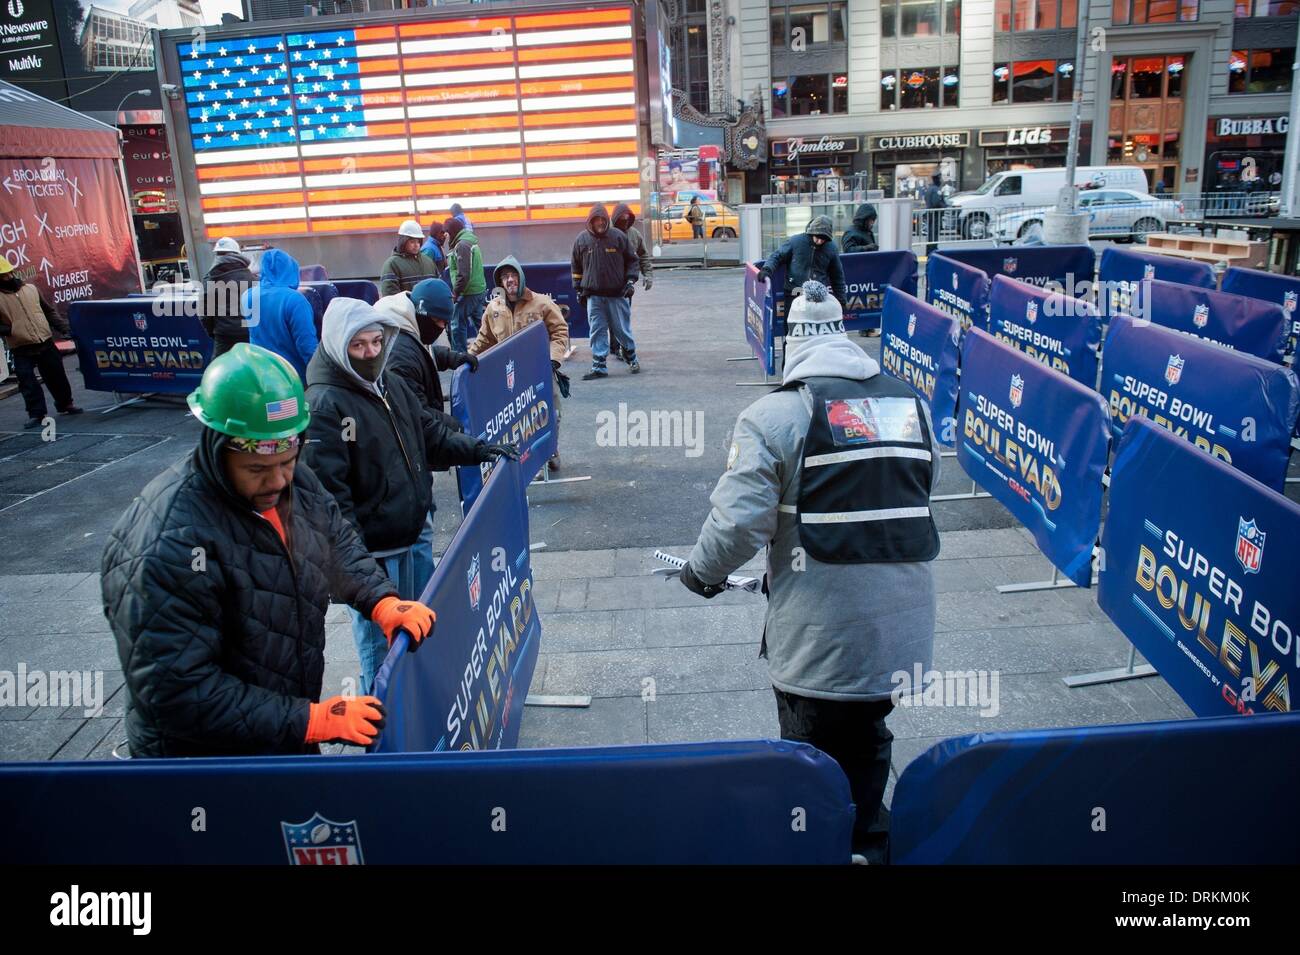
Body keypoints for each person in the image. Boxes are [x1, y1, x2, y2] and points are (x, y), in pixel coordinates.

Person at [676, 281, 940, 864]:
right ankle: (870, 838)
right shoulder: (908, 404)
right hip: (899, 632)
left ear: (791, 341)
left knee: (812, 761)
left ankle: (822, 845)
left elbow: (737, 527)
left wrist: (699, 573)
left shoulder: (773, 416)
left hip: (822, 634)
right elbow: (924, 485)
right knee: (869, 733)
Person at [101, 343, 440, 757]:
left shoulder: (293, 480)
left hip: (278, 730)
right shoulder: (165, 544)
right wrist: (309, 720)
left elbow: (334, 539)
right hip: (205, 767)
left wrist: (381, 600)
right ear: (218, 447)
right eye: (258, 470)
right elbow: (177, 693)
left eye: (288, 461)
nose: (279, 481)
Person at [302, 297, 517, 693]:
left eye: (375, 343)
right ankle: (383, 730)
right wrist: (356, 568)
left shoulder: (388, 383)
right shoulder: (324, 405)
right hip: (372, 558)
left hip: (412, 535)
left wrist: (477, 449)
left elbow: (429, 435)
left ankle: (418, 703)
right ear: (337, 345)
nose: (370, 353)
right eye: (358, 346)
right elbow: (329, 498)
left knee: (420, 628)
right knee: (381, 650)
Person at [373, 290, 478, 593]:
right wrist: (459, 429)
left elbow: (427, 352)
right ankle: (423, 599)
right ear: (419, 313)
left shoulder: (406, 328)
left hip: (409, 457)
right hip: (403, 458)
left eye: (446, 323)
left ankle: (423, 596)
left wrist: (453, 357)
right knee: (420, 530)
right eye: (437, 321)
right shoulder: (398, 349)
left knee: (421, 524)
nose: (441, 328)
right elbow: (416, 415)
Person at [470, 256, 570, 471]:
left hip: (540, 370)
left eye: (513, 275)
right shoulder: (493, 308)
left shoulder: (542, 303)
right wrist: (467, 359)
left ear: (521, 277)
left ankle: (551, 449)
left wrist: (553, 359)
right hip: (509, 377)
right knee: (515, 420)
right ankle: (523, 457)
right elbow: (484, 339)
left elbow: (559, 331)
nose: (509, 280)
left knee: (551, 413)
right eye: (504, 276)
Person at [0, 258, 82, 429]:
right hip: (20, 345)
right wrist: (11, 329)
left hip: (44, 340)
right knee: (28, 381)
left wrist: (64, 328)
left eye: (8, 272)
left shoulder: (31, 289)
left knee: (57, 375)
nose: (7, 276)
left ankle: (65, 403)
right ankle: (37, 413)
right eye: (3, 274)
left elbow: (49, 312)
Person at [571, 203, 640, 380]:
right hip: (593, 297)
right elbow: (576, 267)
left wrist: (631, 281)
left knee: (621, 330)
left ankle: (631, 356)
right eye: (596, 220)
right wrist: (578, 289)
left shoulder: (618, 237)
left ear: (607, 220)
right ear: (591, 222)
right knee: (597, 330)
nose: (600, 223)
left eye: (603, 219)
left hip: (617, 295)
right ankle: (599, 367)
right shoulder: (581, 240)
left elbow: (632, 261)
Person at [243, 248, 317, 382]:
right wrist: (317, 374)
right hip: (292, 376)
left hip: (261, 375)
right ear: (291, 269)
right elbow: (306, 344)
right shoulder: (295, 300)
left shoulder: (247, 296)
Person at [758, 215, 847, 322]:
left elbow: (837, 276)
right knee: (791, 325)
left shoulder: (831, 248)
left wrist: (841, 300)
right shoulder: (795, 241)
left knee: (814, 325)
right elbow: (777, 256)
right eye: (817, 237)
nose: (819, 241)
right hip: (793, 291)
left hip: (817, 297)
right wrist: (767, 269)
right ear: (811, 232)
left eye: (823, 239)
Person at [200, 237, 255, 358]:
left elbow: (204, 314)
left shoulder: (210, 279)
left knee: (218, 371)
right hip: (249, 333)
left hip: (224, 336)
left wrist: (214, 332)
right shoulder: (252, 277)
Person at [612, 202, 653, 363]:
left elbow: (642, 255)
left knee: (623, 316)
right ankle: (616, 346)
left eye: (627, 218)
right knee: (611, 318)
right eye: (621, 218)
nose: (624, 220)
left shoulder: (634, 234)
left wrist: (647, 274)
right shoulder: (608, 234)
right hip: (608, 283)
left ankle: (621, 347)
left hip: (626, 283)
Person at [445, 216, 488, 353]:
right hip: (477, 289)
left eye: (446, 232)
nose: (445, 236)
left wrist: (456, 293)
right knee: (481, 324)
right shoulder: (469, 241)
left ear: (451, 231)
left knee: (457, 323)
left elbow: (463, 274)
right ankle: (491, 349)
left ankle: (460, 357)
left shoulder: (462, 245)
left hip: (468, 292)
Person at [380, 219, 438, 297]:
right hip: (406, 309)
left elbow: (438, 287)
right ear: (403, 241)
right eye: (412, 242)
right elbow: (390, 297)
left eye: (418, 241)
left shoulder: (428, 261)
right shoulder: (392, 264)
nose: (416, 245)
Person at [923, 172, 946, 255]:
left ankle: (929, 250)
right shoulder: (936, 190)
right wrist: (944, 206)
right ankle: (933, 250)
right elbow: (937, 202)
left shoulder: (929, 189)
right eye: (940, 179)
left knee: (930, 234)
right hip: (935, 215)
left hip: (930, 214)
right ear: (938, 179)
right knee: (934, 233)